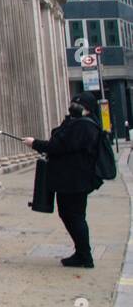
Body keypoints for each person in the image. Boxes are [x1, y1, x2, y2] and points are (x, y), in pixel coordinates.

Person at [23, 91, 104, 269]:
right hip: (71, 180)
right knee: (70, 215)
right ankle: (81, 253)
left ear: (87, 109)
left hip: (74, 182)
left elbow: (58, 145)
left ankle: (85, 256)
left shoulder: (84, 126)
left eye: (78, 105)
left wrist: (34, 143)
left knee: (74, 216)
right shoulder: (79, 124)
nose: (73, 107)